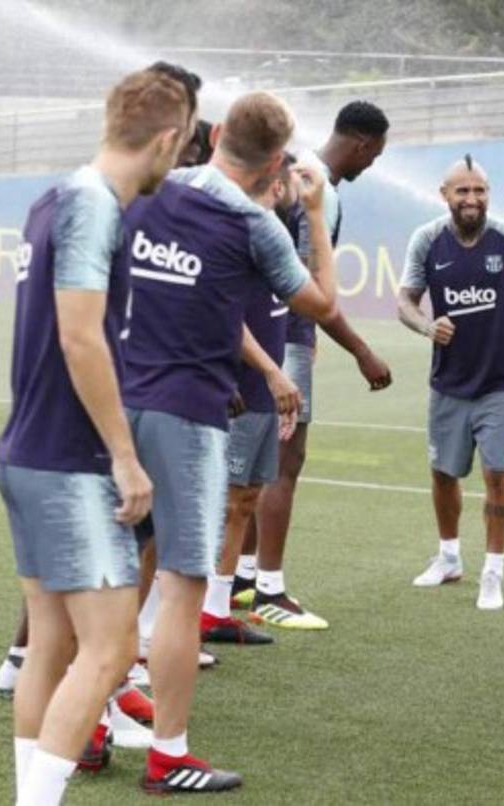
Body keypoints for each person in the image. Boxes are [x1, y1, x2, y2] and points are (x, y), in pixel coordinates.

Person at [120, 90, 337, 794]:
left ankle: (90, 726)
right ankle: (169, 753)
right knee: (184, 589)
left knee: (113, 571)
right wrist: (311, 212)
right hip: (189, 415)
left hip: (120, 405)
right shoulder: (256, 222)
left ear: (213, 136)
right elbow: (321, 304)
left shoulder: (157, 189)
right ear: (278, 161)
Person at [0, 68, 191, 805]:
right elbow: (81, 339)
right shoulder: (93, 207)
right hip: (70, 465)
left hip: (26, 454)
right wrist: (124, 455)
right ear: (168, 139)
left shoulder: (52, 199)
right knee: (108, 653)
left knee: (52, 645)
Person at [242, 101, 394, 631]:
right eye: (375, 153)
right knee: (286, 458)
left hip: (269, 330)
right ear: (363, 144)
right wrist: (362, 351)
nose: (373, 164)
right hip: (284, 334)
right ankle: (270, 588)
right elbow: (307, 286)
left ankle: (240, 577)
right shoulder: (318, 190)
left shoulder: (299, 172)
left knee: (259, 459)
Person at [396, 155, 504, 611]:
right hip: (448, 383)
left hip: (502, 382)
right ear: (445, 195)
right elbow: (405, 301)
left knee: (497, 472)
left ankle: (493, 570)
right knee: (444, 473)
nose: (472, 199)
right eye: (462, 191)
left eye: (480, 190)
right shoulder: (427, 240)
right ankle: (449, 557)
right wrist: (428, 326)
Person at [199, 153, 301, 645]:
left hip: (264, 393)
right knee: (222, 502)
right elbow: (227, 318)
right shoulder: (243, 238)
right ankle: (193, 610)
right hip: (241, 391)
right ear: (277, 186)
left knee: (244, 500)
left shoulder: (276, 240)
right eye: (295, 179)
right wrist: (271, 373)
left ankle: (216, 609)